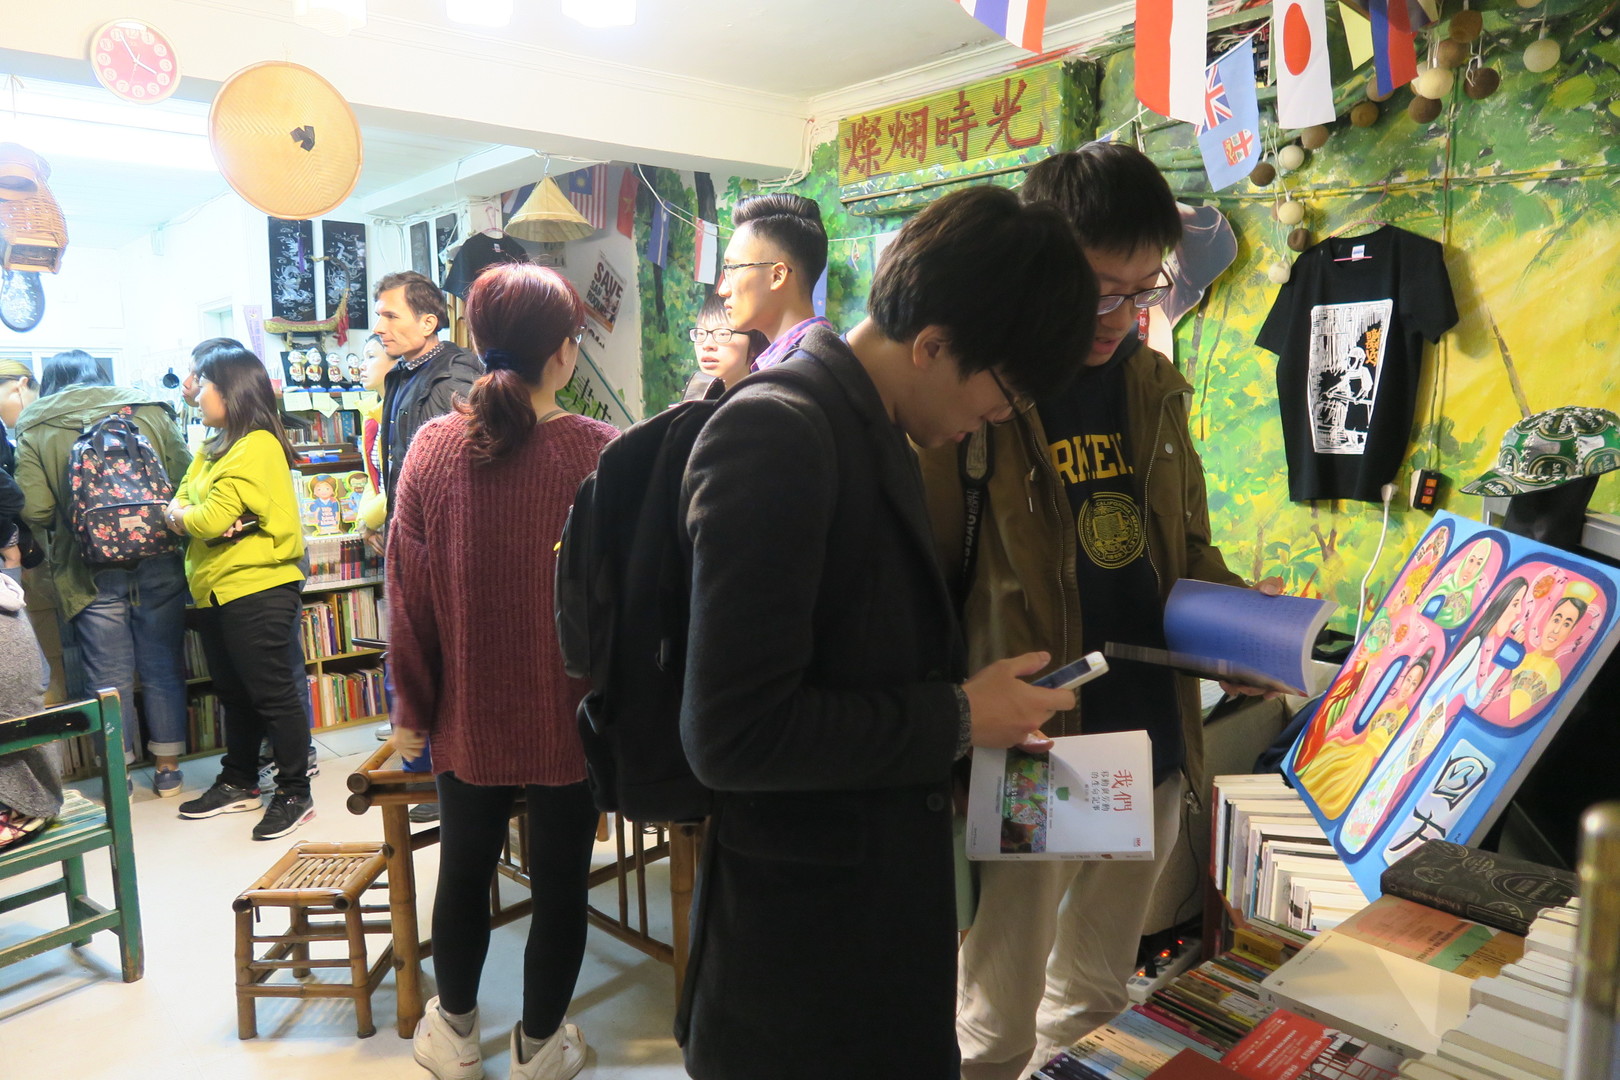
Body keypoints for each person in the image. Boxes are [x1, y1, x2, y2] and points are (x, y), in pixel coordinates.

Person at [676, 184, 1096, 1080]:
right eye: (1005, 391)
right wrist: (957, 716)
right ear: (932, 345)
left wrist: (974, 717)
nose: (1003, 416)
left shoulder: (875, 425)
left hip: (873, 937)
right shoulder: (778, 432)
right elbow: (731, 734)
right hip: (799, 974)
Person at [919, 144, 1269, 1080]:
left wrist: (1240, 615)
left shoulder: (1151, 383)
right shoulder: (983, 394)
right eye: (1099, 290)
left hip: (1148, 736)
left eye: (1142, 289)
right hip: (1042, 741)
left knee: (1096, 999)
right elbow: (932, 580)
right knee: (994, 1020)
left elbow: (1182, 548)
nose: (1120, 316)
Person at [388, 264, 616, 1080]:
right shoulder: (602, 453)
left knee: (462, 872)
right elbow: (626, 605)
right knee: (561, 885)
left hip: (469, 713)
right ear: (564, 353)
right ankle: (540, 1047)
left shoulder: (432, 449)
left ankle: (454, 1036)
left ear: (478, 342)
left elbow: (407, 597)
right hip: (572, 720)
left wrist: (413, 710)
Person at [13, 351, 192, 797]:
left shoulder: (36, 425)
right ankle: (168, 770)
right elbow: (186, 478)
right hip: (160, 555)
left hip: (86, 568)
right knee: (163, 664)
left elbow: (36, 509)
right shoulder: (148, 409)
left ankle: (119, 776)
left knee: (107, 678)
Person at [165, 346, 314, 840]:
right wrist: (188, 514)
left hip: (258, 587)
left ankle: (294, 792)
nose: (195, 392)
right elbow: (180, 499)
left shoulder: (256, 445)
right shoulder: (214, 444)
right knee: (234, 694)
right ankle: (239, 780)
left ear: (230, 391)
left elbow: (206, 519)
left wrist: (190, 516)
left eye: (204, 383)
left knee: (273, 695)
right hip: (216, 589)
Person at [373, 271, 483, 519]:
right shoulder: (403, 373)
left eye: (391, 316)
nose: (378, 328)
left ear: (428, 324)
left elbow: (464, 479)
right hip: (407, 523)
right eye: (379, 316)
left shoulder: (451, 380)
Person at [717, 193, 831, 370]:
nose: (722, 290)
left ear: (777, 276)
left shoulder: (797, 374)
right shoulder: (828, 355)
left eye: (733, 269)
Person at [681, 293, 769, 399]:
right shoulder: (692, 403)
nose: (707, 345)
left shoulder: (766, 402)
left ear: (754, 345)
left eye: (722, 334)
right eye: (700, 333)